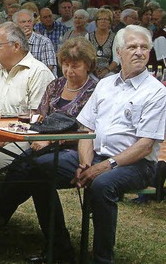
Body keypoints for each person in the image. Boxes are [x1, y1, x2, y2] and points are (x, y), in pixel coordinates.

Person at [43, 26, 165, 263]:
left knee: (101, 185)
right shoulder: (106, 84)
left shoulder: (156, 92)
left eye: (144, 47)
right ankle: (58, 246)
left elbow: (146, 145)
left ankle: (102, 258)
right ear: (118, 53)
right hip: (97, 156)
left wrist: (103, 166)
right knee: (40, 168)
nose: (139, 52)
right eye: (132, 47)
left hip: (137, 164)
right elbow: (87, 129)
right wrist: (85, 162)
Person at [0, 37, 99, 263]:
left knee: (34, 171)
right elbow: (40, 117)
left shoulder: (95, 90)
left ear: (88, 64)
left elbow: (85, 129)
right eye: (66, 65)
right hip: (42, 144)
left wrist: (50, 141)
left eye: (75, 66)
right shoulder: (56, 85)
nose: (69, 71)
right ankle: (56, 245)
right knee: (22, 166)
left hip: (75, 149)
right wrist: (38, 137)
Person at [0, 22, 55, 170]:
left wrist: (0, 141)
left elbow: (36, 119)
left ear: (16, 46)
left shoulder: (38, 72)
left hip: (21, 137)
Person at [14, 9, 58, 74]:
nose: (27, 24)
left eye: (29, 21)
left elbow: (49, 68)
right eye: (23, 22)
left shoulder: (45, 42)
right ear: (16, 25)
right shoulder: (12, 42)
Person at [89, 8, 118, 78]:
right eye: (100, 19)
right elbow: (86, 57)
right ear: (96, 22)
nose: (103, 21)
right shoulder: (88, 36)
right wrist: (94, 69)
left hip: (109, 70)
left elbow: (116, 60)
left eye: (106, 19)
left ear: (110, 22)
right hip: (91, 70)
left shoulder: (115, 37)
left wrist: (107, 70)